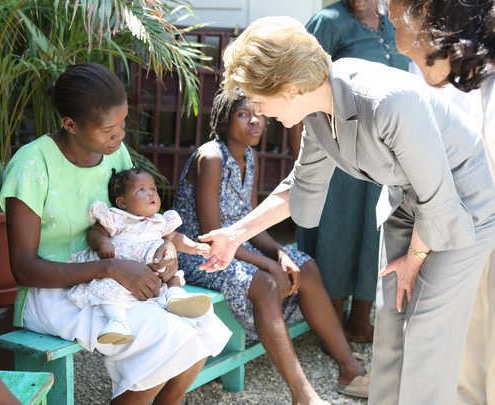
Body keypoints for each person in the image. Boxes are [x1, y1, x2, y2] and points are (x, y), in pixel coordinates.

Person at [197, 16, 495, 405]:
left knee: (426, 333)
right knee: (391, 327)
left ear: (291, 88)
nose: (260, 112)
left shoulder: (387, 101)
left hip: (460, 204)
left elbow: (436, 198)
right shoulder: (319, 111)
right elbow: (297, 189)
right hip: (408, 202)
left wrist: (415, 257)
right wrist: (234, 235)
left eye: (260, 100)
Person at [0, 62, 231, 405]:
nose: (119, 135)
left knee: (201, 321)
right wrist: (110, 268)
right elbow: (24, 268)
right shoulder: (32, 166)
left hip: (121, 275)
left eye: (122, 123)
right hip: (55, 293)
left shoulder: (114, 154)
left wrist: (166, 246)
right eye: (108, 128)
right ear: (70, 124)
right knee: (165, 333)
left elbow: (135, 216)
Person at [172, 87, 369, 402]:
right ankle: (302, 394)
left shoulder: (249, 157)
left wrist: (278, 254)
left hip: (238, 249)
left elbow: (252, 223)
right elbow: (212, 234)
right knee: (264, 283)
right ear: (224, 121)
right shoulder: (210, 157)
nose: (255, 122)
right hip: (202, 256)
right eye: (243, 115)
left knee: (305, 265)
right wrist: (267, 264)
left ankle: (349, 368)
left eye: (259, 115)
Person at [386, 1, 494, 403]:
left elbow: (448, 179)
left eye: (393, 12)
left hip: (471, 220)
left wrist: (417, 251)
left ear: (426, 12)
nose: (385, 16)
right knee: (466, 345)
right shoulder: (443, 70)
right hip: (468, 228)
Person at [292, 0, 411, 343]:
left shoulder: (392, 24)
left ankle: (360, 321)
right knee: (337, 234)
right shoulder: (328, 21)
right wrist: (302, 151)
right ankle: (330, 329)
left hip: (384, 154)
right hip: (338, 151)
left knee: (373, 234)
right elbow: (299, 85)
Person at [66, 167, 213, 345]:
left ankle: (176, 298)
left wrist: (195, 247)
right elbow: (95, 232)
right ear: (122, 202)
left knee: (171, 274)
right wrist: (102, 242)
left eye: (153, 189)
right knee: (109, 288)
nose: (151, 194)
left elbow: (175, 238)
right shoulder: (117, 217)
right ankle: (116, 322)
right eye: (141, 190)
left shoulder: (160, 221)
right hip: (122, 269)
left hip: (152, 269)